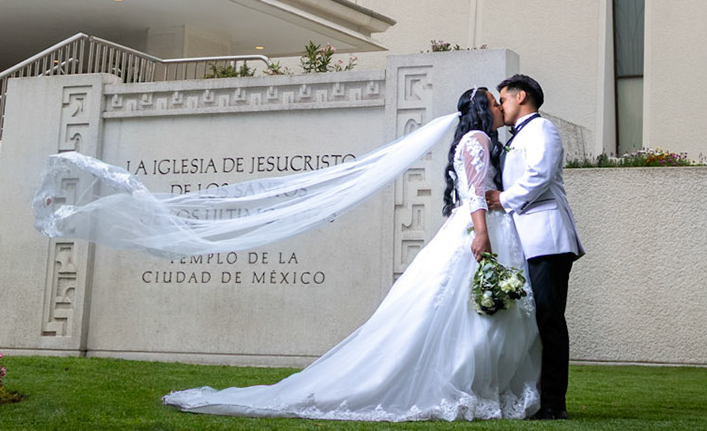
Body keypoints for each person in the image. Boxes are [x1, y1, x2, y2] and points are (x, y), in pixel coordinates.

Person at [161, 87, 540, 420]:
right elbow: (473, 192)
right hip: (476, 229)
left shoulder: (475, 140)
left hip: (478, 226)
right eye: (493, 103)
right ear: (481, 111)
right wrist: (481, 233)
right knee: (468, 313)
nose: (498, 108)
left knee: (472, 314)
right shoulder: (477, 138)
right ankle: (464, 385)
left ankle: (479, 387)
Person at [486, 74, 583, 421]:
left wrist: (503, 199)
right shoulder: (515, 137)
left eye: (503, 99)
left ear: (521, 96)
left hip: (548, 239)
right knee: (533, 320)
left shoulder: (543, 129)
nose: (501, 106)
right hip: (525, 242)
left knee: (549, 318)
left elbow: (540, 175)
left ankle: (554, 403)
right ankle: (535, 396)